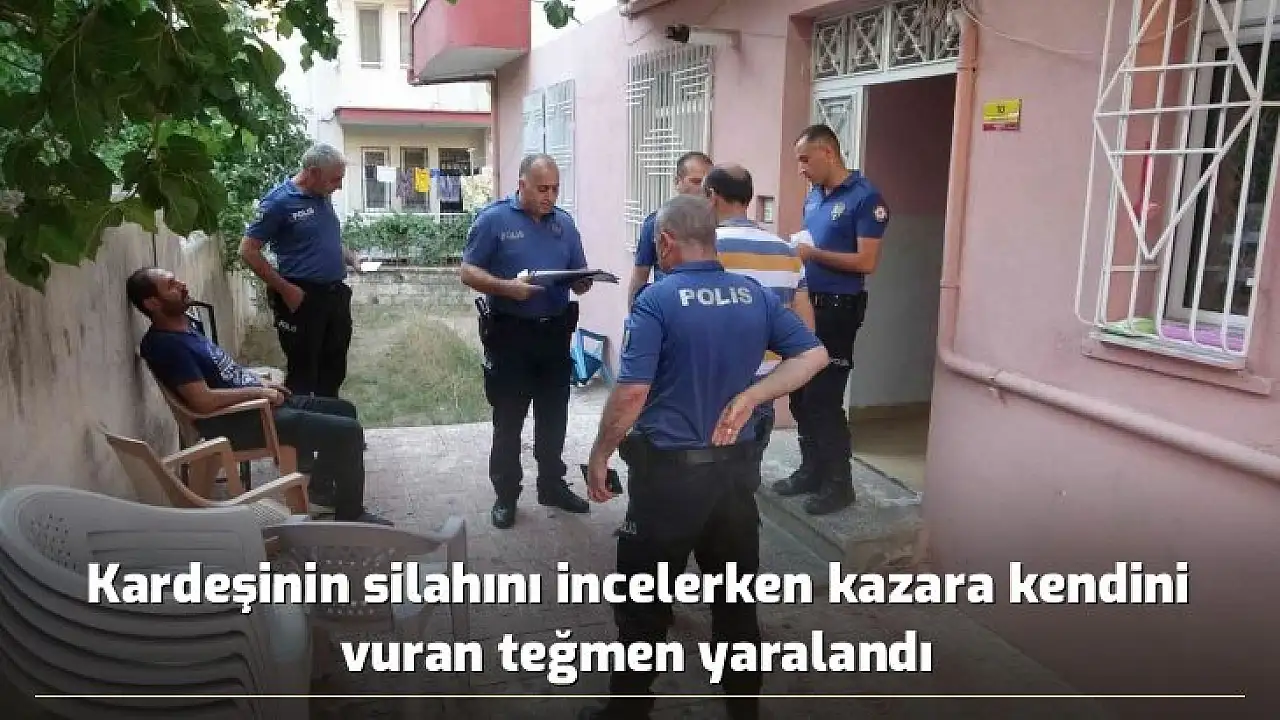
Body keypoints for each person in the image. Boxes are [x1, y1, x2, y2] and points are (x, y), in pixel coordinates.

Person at [579, 195, 829, 720]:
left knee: (643, 601)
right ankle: (743, 709)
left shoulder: (657, 300)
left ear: (666, 242)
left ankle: (627, 711)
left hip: (668, 481)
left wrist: (601, 453)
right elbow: (814, 354)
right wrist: (755, 396)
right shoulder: (753, 294)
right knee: (735, 598)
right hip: (735, 474)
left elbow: (631, 392)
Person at [126, 267, 391, 525]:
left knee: (345, 410)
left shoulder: (187, 325)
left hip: (258, 405)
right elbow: (202, 401)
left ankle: (321, 492)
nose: (182, 285)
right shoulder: (167, 346)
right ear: (152, 303)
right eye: (171, 285)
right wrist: (259, 392)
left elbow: (223, 371)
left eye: (176, 280)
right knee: (347, 431)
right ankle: (351, 513)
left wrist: (261, 382)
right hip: (239, 422)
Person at [459, 153, 595, 529]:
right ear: (522, 185)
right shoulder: (494, 220)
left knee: (554, 417)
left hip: (554, 335)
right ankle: (506, 494)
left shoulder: (564, 223)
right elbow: (467, 271)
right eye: (542, 189)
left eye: (555, 189)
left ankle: (551, 485)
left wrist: (583, 281)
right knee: (509, 420)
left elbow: (578, 274)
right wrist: (507, 288)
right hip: (510, 335)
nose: (549, 196)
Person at [778, 123, 890, 515]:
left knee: (823, 397)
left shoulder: (865, 198)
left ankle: (839, 484)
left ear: (828, 152)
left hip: (839, 308)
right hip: (806, 304)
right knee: (799, 392)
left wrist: (813, 255)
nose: (801, 169)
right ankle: (812, 470)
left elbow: (866, 261)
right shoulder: (814, 197)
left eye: (805, 159)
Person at [703, 163, 815, 447]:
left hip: (708, 383)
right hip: (764, 387)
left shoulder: (704, 248)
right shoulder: (788, 252)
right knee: (748, 465)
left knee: (702, 466)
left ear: (712, 196)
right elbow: (806, 330)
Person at [240, 142, 363, 399]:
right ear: (313, 172)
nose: (339, 186)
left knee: (333, 368)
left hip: (335, 295)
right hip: (301, 296)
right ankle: (300, 422)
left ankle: (329, 419)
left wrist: (349, 257)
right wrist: (286, 290)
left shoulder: (322, 196)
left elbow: (319, 238)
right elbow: (248, 250)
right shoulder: (278, 202)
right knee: (303, 372)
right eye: (335, 179)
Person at [627, 151, 712, 305]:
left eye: (707, 183)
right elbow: (640, 276)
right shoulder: (655, 223)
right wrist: (634, 314)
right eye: (695, 181)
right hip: (667, 307)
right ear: (677, 182)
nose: (702, 189)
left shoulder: (718, 224)